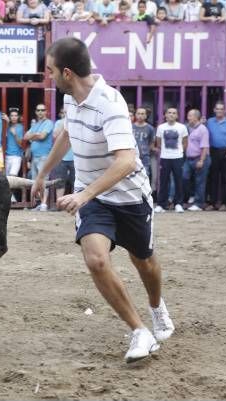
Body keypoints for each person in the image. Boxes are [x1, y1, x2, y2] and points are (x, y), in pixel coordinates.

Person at [32, 37, 174, 363]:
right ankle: (139, 331)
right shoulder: (71, 99)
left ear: (67, 73)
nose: (48, 77)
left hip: (130, 197)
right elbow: (67, 134)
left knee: (145, 262)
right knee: (96, 260)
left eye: (51, 71)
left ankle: (156, 307)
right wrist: (43, 173)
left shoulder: (110, 103)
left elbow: (125, 161)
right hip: (94, 198)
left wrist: (83, 194)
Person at [154, 107, 188, 213]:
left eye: (174, 113)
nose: (171, 115)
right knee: (163, 181)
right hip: (165, 157)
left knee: (178, 181)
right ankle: (161, 204)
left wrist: (180, 153)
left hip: (177, 157)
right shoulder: (161, 127)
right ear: (165, 115)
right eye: (169, 113)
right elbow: (158, 143)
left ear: (177, 115)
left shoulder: (182, 127)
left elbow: (185, 142)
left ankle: (178, 204)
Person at [206, 102, 226, 211]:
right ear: (214, 110)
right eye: (217, 109)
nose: (219, 111)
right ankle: (212, 203)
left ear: (224, 111)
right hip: (214, 151)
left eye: (221, 109)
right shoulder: (209, 121)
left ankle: (224, 203)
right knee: (213, 178)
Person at [25, 103, 54, 211]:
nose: (40, 112)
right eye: (38, 110)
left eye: (42, 110)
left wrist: (33, 135)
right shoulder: (35, 124)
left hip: (44, 156)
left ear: (46, 111)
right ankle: (39, 203)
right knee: (35, 181)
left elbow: (42, 136)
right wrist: (36, 135)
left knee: (43, 181)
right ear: (36, 112)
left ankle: (44, 204)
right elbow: (25, 137)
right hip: (34, 157)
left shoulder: (49, 123)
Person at [182, 109, 210, 211]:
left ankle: (198, 204)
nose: (188, 117)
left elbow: (205, 146)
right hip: (188, 158)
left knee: (200, 181)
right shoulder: (188, 127)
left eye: (190, 116)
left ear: (196, 117)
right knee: (184, 177)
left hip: (200, 157)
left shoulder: (203, 129)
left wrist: (201, 160)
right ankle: (192, 196)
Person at [53, 107, 75, 204]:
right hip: (61, 157)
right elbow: (55, 135)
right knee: (60, 181)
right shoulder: (59, 123)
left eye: (66, 112)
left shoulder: (76, 122)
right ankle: (59, 204)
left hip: (75, 157)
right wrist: (64, 123)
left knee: (75, 181)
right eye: (63, 112)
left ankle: (75, 204)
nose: (65, 114)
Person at [132, 106, 156, 182]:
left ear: (146, 116)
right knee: (132, 178)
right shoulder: (130, 127)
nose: (140, 115)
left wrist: (145, 151)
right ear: (135, 115)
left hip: (144, 158)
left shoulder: (150, 128)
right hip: (132, 157)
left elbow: (151, 143)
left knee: (145, 177)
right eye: (138, 113)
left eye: (142, 114)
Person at [5, 108, 24, 187]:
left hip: (17, 156)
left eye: (15, 116)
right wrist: (7, 123)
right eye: (12, 116)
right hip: (6, 155)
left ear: (18, 117)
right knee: (5, 180)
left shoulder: (21, 127)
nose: (13, 117)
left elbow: (21, 144)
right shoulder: (6, 126)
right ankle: (10, 198)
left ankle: (11, 198)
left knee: (12, 178)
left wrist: (15, 134)